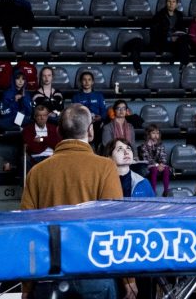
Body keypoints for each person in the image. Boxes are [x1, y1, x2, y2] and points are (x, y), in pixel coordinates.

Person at [20, 105, 124, 299]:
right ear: (91, 130)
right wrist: (129, 280)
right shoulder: (106, 168)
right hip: (94, 273)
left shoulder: (36, 172)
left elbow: (28, 233)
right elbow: (115, 226)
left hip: (47, 275)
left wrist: (26, 286)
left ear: (58, 132)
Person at [138, 123, 172, 197]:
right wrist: (156, 165)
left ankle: (166, 191)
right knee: (154, 169)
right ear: (148, 134)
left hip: (159, 165)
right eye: (153, 133)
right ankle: (153, 191)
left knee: (166, 169)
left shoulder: (160, 145)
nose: (156, 135)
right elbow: (146, 159)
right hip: (149, 166)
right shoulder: (144, 146)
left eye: (157, 133)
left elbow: (163, 156)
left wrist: (162, 164)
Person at [22, 103, 61, 168]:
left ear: (47, 116)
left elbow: (57, 143)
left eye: (44, 115)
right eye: (39, 115)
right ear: (35, 117)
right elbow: (32, 148)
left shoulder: (53, 128)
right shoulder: (28, 130)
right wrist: (48, 141)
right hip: (36, 159)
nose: (42, 118)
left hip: (52, 157)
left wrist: (41, 139)